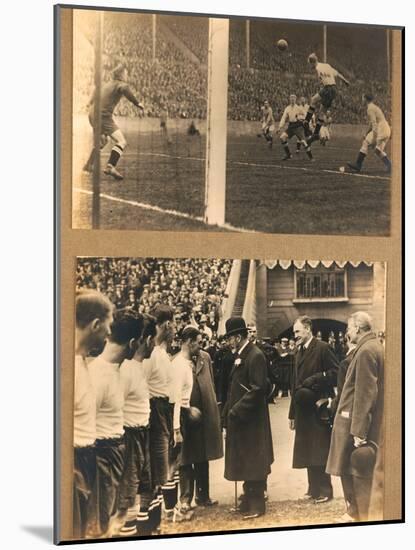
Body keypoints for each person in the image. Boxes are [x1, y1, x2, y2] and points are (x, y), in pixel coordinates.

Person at [88, 308, 143, 538]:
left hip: (114, 452)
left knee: (110, 523)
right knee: (97, 528)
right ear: (132, 343)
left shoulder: (117, 370)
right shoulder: (97, 375)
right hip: (100, 455)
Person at [326, 312, 384, 522]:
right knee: (352, 468)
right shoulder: (370, 347)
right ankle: (355, 510)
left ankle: (357, 512)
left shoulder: (366, 351)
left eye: (349, 328)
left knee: (353, 468)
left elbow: (365, 393)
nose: (347, 333)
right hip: (352, 419)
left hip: (353, 422)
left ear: (358, 328)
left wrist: (359, 431)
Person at [223, 317, 274, 520]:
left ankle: (257, 505)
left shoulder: (255, 356)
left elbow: (258, 388)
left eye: (229, 338)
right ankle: (248, 500)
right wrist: (227, 412)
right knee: (246, 459)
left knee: (254, 461)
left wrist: (235, 410)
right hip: (243, 420)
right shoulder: (243, 354)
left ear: (237, 337)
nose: (228, 342)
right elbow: (235, 387)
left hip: (252, 421)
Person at [73, 290, 114, 539]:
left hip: (88, 457)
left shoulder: (81, 362)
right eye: (107, 327)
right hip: (75, 463)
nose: (109, 334)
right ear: (96, 324)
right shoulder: (67, 367)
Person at [288, 316, 339, 504]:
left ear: (308, 329)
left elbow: (336, 373)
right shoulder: (298, 352)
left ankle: (326, 489)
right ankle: (313, 488)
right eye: (294, 332)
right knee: (308, 448)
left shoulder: (323, 348)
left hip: (318, 408)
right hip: (303, 409)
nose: (295, 336)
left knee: (320, 448)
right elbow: (294, 385)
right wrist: (291, 414)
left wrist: (316, 378)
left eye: (298, 332)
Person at [117, 315, 157, 537]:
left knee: (145, 487)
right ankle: (127, 532)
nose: (153, 344)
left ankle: (143, 532)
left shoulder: (140, 367)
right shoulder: (127, 370)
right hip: (130, 436)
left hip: (143, 433)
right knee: (130, 491)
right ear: (147, 340)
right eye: (152, 341)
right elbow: (116, 407)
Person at [179, 331, 223, 512]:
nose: (201, 345)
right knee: (186, 457)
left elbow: (211, 383)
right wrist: (186, 410)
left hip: (204, 413)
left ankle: (203, 496)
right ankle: (185, 499)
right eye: (197, 342)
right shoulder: (177, 362)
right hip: (186, 416)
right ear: (188, 342)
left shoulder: (205, 357)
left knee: (203, 455)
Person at [142, 305, 177, 530]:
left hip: (163, 409)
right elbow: (142, 387)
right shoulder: (152, 354)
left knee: (163, 470)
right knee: (156, 472)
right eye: (174, 323)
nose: (175, 328)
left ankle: (157, 522)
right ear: (166, 324)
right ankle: (149, 524)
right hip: (154, 411)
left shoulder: (162, 353)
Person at [84, 64, 145, 180]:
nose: (127, 75)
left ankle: (88, 166)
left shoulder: (107, 84)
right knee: (121, 141)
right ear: (121, 74)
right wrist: (137, 103)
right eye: (126, 73)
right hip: (103, 116)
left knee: (102, 142)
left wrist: (89, 103)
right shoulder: (120, 84)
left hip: (92, 114)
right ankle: (110, 166)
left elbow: (96, 92)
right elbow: (124, 89)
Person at [304, 53, 350, 146]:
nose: (310, 67)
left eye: (310, 64)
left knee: (313, 100)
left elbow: (323, 81)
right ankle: (316, 134)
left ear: (312, 62)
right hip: (334, 90)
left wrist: (322, 86)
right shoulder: (327, 65)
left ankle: (306, 121)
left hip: (328, 88)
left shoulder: (318, 69)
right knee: (322, 112)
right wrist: (345, 81)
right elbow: (337, 73)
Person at [347, 94, 392, 174]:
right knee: (378, 150)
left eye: (362, 98)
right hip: (386, 129)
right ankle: (390, 165)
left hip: (381, 128)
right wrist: (367, 133)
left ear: (365, 99)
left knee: (366, 142)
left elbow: (374, 124)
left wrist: (374, 136)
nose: (362, 99)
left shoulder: (370, 108)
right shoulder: (374, 107)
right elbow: (372, 124)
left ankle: (358, 164)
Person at [278, 94, 313, 161]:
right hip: (291, 126)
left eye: (294, 98)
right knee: (282, 137)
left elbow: (306, 115)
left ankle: (311, 157)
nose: (292, 99)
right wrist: (280, 127)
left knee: (303, 142)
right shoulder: (287, 108)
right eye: (291, 98)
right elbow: (283, 118)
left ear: (296, 99)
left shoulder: (298, 108)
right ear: (289, 99)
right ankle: (288, 155)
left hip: (298, 126)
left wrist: (302, 119)